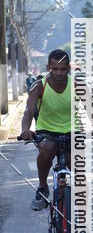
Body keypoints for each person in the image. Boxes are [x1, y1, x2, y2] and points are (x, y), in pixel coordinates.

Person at [19, 49, 72, 210]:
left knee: (76, 162)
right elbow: (28, 111)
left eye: (63, 69)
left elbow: (91, 110)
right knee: (47, 148)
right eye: (54, 69)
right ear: (48, 68)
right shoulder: (38, 86)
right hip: (47, 130)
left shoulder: (77, 86)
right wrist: (25, 130)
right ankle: (43, 187)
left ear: (68, 68)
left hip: (71, 131)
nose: (59, 73)